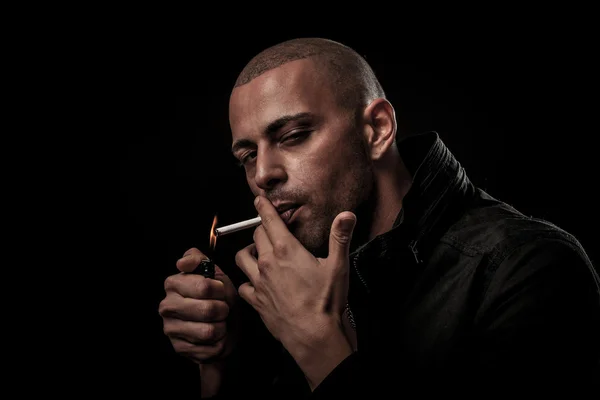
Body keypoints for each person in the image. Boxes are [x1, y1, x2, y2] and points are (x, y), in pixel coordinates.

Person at [158, 38, 600, 398]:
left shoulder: (526, 268)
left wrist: (322, 348)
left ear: (377, 130)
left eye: (292, 136)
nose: (263, 174)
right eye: (248, 156)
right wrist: (223, 363)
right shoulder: (278, 287)